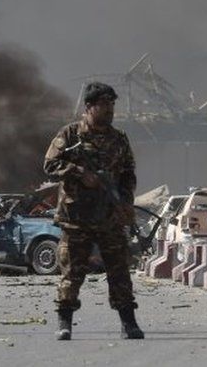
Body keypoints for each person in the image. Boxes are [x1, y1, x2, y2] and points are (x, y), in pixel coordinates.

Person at [44, 81, 143, 341]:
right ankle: (64, 322)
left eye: (112, 104)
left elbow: (128, 174)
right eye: (104, 104)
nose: (109, 109)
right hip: (76, 218)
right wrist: (79, 173)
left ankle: (128, 323)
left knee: (119, 271)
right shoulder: (70, 134)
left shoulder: (119, 138)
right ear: (89, 107)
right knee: (72, 273)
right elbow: (50, 164)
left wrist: (125, 203)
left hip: (109, 217)